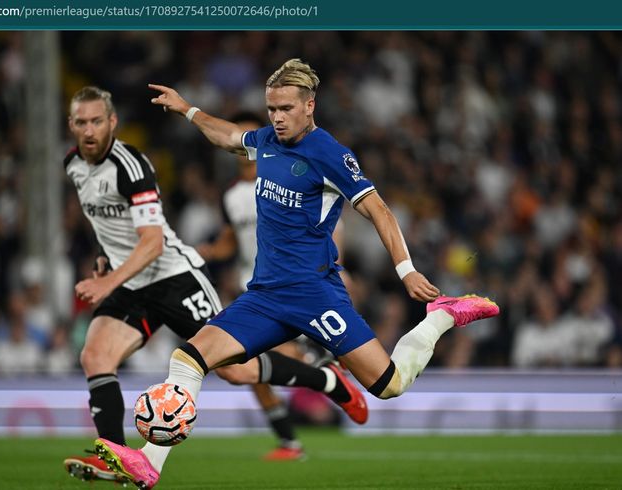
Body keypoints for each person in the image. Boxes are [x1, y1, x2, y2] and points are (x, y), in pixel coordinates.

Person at [94, 59, 499, 489]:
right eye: (272, 109)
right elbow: (227, 136)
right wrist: (188, 110)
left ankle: (441, 316)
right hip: (265, 296)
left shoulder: (331, 154)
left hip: (316, 294)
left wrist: (407, 271)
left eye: (286, 108)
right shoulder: (266, 141)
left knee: (389, 385)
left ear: (310, 105)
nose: (277, 118)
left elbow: (379, 209)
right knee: (188, 358)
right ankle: (149, 463)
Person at [62, 86, 368, 484]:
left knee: (236, 372)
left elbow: (152, 242)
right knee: (95, 355)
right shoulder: (74, 166)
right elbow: (107, 224)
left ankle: (328, 380)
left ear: (112, 122)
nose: (88, 130)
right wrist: (106, 260)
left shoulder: (131, 165)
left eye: (96, 121)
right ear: (71, 125)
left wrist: (107, 284)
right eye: (81, 122)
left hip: (173, 277)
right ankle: (115, 455)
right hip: (129, 280)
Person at [199, 110, 346, 461]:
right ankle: (290, 439)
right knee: (241, 367)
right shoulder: (231, 195)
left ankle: (322, 370)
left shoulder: (285, 177)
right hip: (255, 288)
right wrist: (196, 251)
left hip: (294, 283)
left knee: (259, 360)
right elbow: (229, 242)